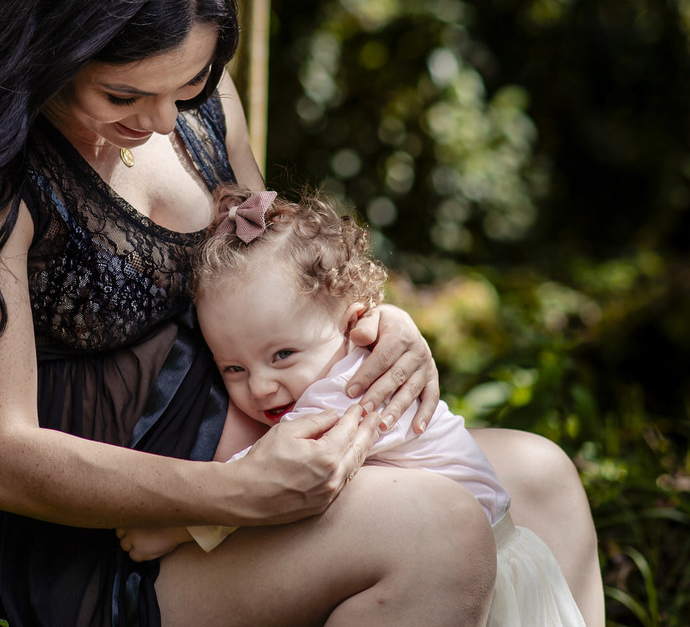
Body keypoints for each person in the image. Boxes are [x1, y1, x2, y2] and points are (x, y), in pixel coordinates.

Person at [0, 0, 602, 626]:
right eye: (122, 93)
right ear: (51, 49)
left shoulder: (199, 102)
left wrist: (378, 328)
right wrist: (235, 494)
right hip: (74, 553)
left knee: (540, 476)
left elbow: (271, 272)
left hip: (238, 475)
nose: (163, 121)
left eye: (188, 86)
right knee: (435, 533)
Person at [117, 187, 590, 626]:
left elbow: (264, 474)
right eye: (232, 369)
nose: (260, 387)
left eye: (282, 355)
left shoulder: (348, 391)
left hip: (486, 569)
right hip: (502, 548)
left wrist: (175, 527)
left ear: (356, 321)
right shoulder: (344, 358)